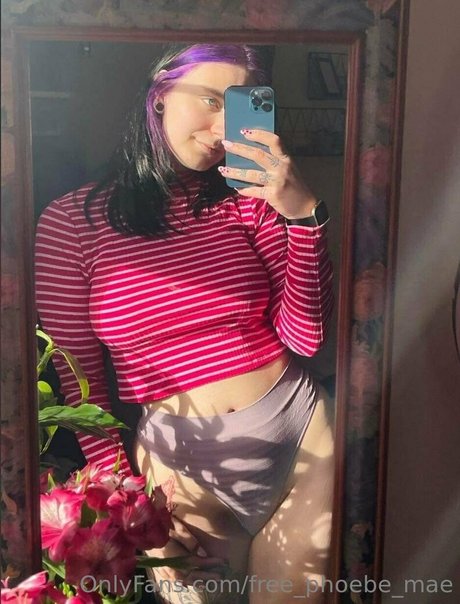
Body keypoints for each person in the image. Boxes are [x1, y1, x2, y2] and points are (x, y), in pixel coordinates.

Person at [35, 44, 335, 604]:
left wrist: (302, 217)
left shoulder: (250, 201)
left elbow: (305, 337)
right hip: (184, 474)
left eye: (239, 105)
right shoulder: (70, 222)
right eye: (211, 100)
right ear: (159, 96)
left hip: (303, 439)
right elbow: (80, 385)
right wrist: (129, 505)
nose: (223, 128)